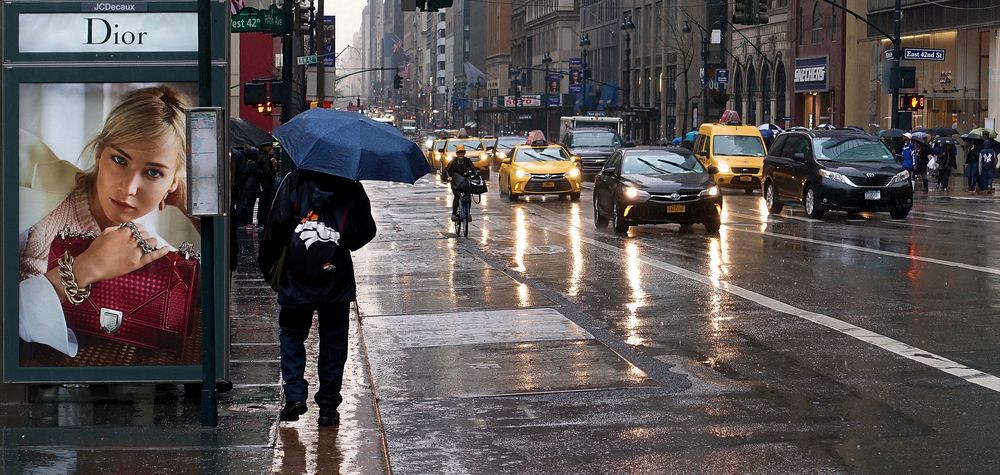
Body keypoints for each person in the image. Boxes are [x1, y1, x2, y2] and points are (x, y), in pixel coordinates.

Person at [18, 85, 192, 357]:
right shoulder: (34, 201)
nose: (130, 188)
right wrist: (84, 269)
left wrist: (192, 208)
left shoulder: (153, 254)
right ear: (99, 153)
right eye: (119, 159)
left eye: (153, 173)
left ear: (173, 184)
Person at [259, 169, 376, 426]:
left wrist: (270, 267)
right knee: (334, 341)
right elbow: (365, 231)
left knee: (291, 333)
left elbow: (275, 225)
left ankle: (295, 396)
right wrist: (341, 239)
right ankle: (328, 404)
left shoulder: (294, 180)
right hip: (336, 278)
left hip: (297, 275)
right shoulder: (350, 185)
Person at [446, 144, 476, 221]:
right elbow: (447, 170)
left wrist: (475, 175)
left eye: (462, 152)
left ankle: (468, 214)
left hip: (465, 182)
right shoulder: (453, 161)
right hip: (455, 183)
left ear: (464, 153)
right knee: (457, 196)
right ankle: (454, 214)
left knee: (468, 197)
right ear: (456, 154)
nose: (460, 154)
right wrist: (449, 177)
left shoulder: (467, 160)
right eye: (459, 153)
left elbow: (473, 169)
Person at [255, 143, 278, 227]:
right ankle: (263, 219)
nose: (271, 148)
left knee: (264, 202)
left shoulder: (263, 156)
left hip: (265, 183)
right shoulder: (264, 157)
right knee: (265, 202)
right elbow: (267, 171)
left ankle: (262, 218)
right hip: (266, 184)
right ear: (265, 147)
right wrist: (273, 171)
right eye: (270, 146)